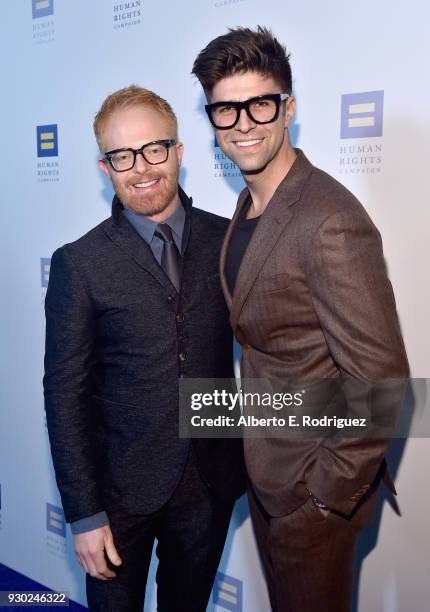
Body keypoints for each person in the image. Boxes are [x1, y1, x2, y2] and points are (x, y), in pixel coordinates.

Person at [192, 27, 409, 612]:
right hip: (268, 472)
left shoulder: (329, 219)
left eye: (259, 104)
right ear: (210, 117)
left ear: (288, 107)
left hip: (311, 491)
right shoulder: (249, 204)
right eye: (225, 109)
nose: (243, 123)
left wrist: (322, 498)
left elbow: (382, 383)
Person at [43, 84, 245, 612]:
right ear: (104, 167)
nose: (141, 168)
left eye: (154, 149)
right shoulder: (79, 263)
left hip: (210, 480)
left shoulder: (229, 241)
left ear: (178, 152)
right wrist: (85, 515)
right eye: (122, 156)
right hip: (117, 497)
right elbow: (64, 396)